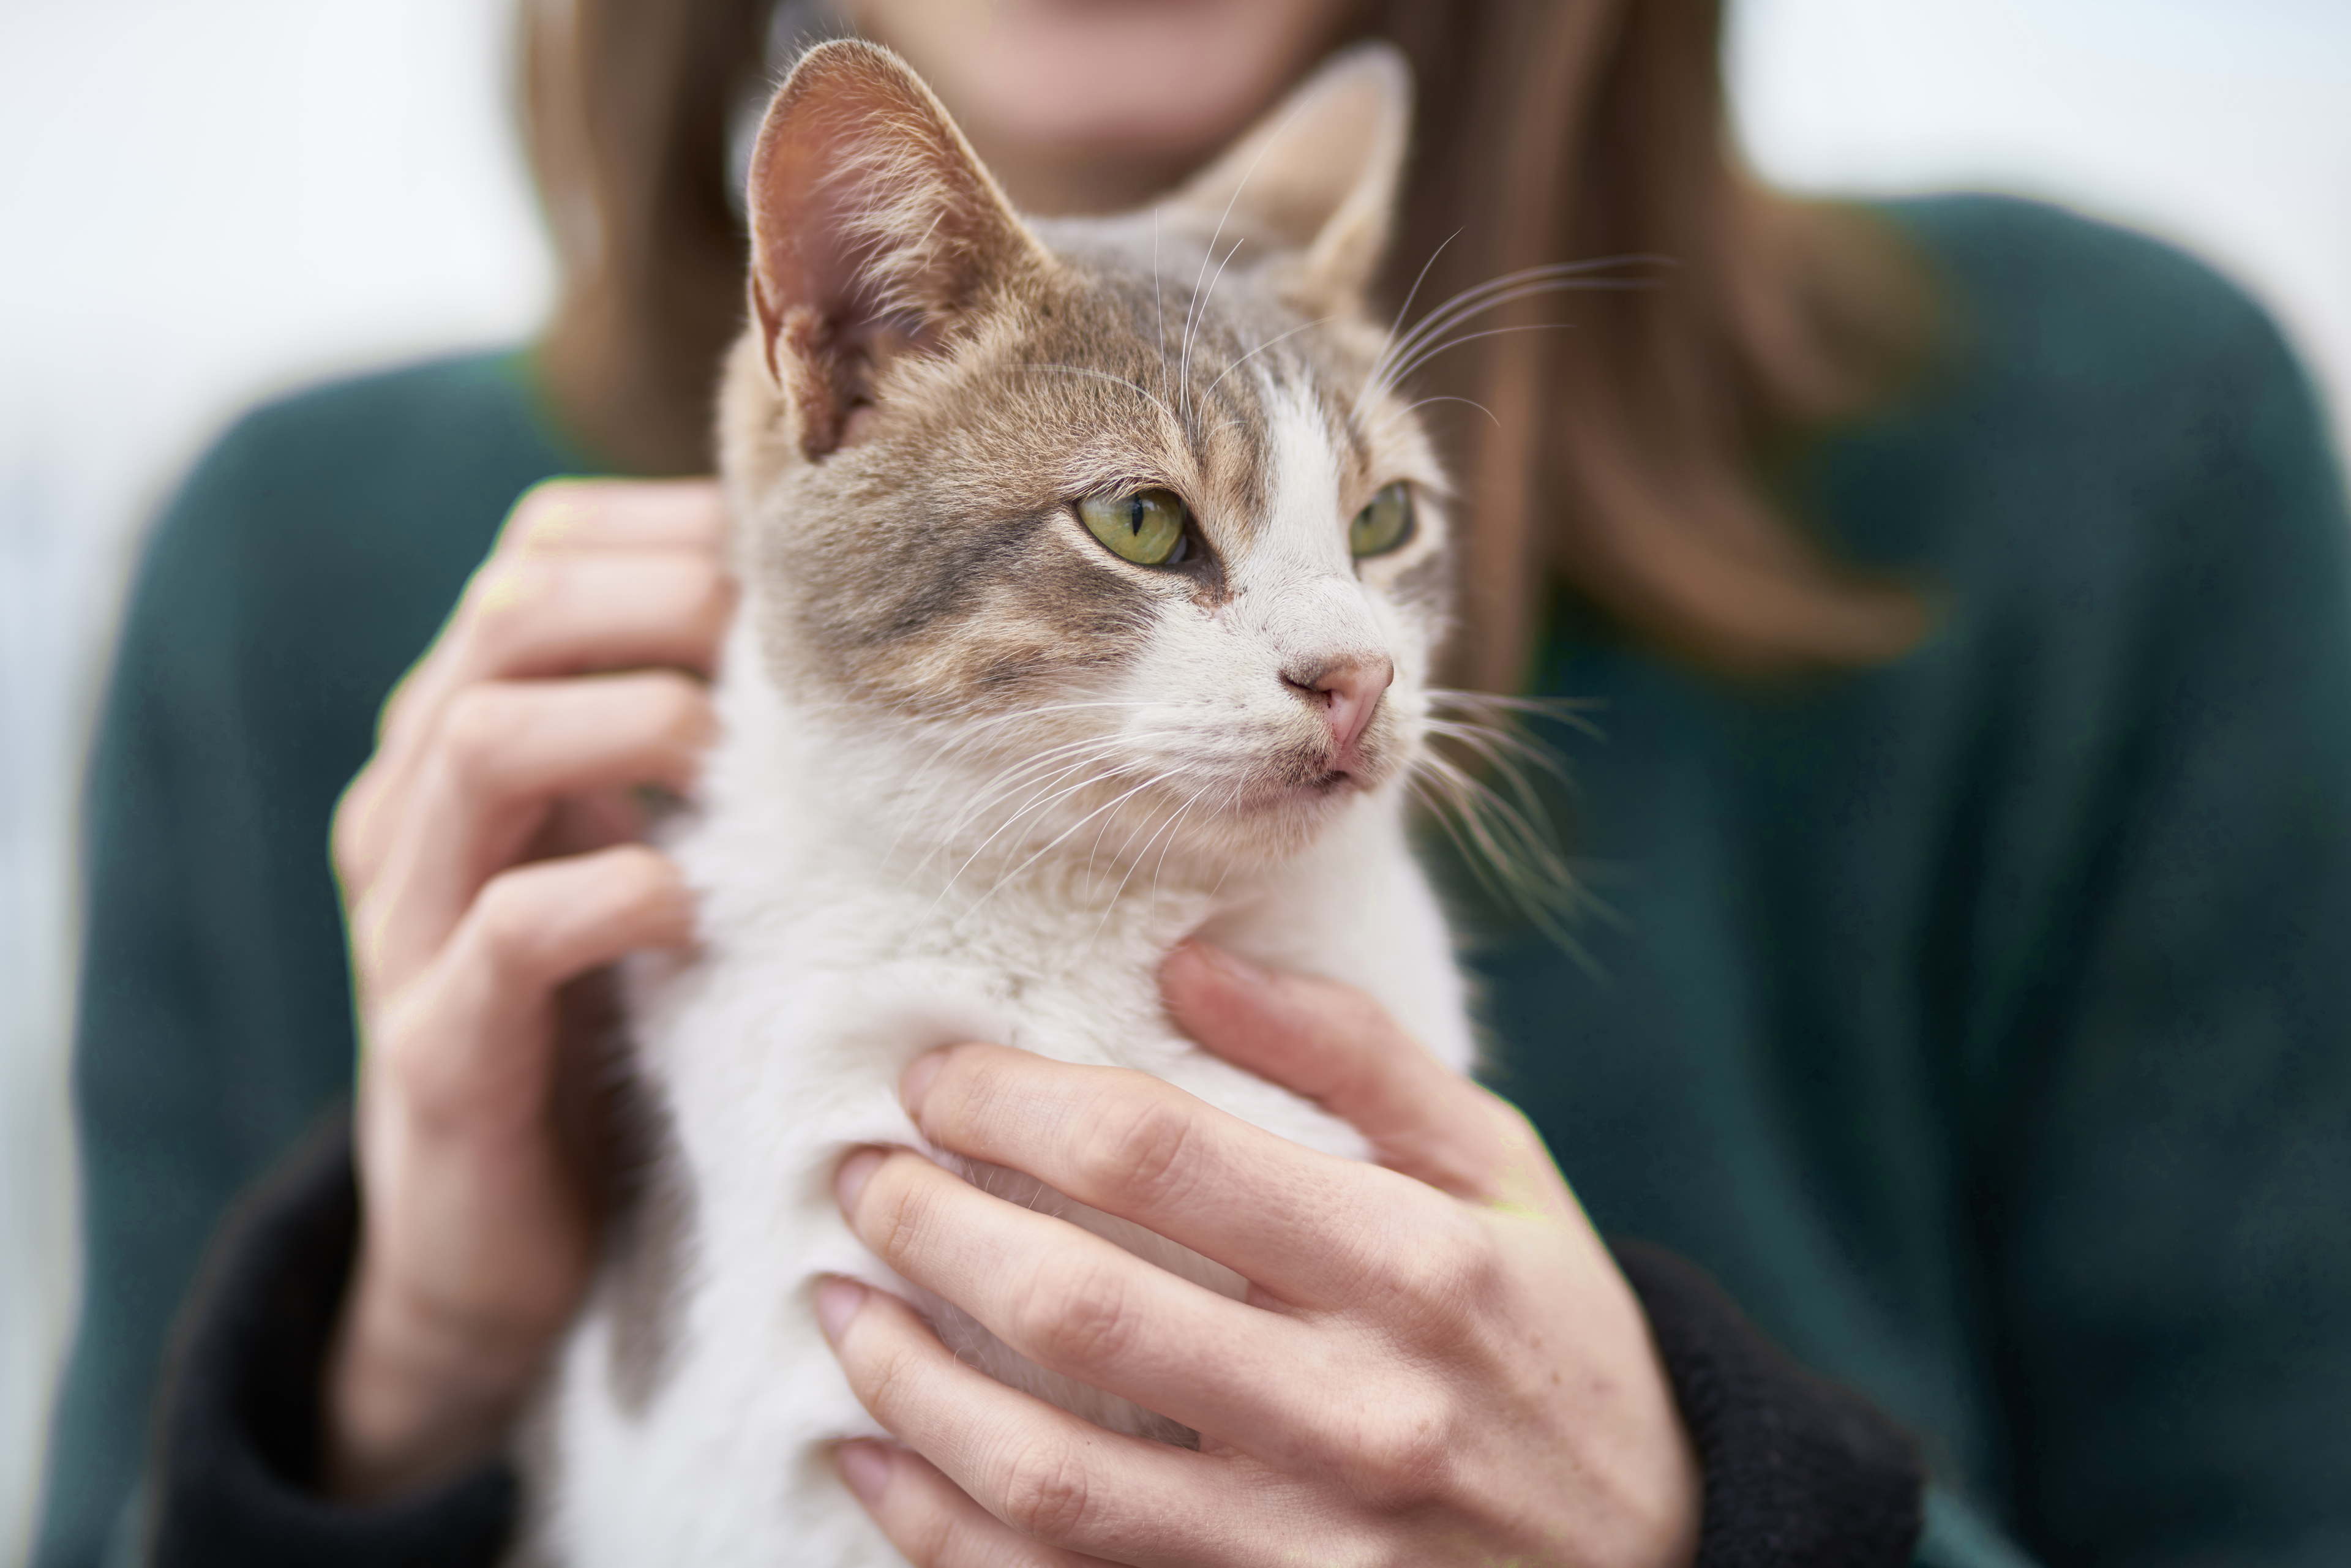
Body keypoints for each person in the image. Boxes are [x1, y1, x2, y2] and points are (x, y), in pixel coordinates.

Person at [36, 1, 2351, 1564]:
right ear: (831, 345)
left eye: (1378, 528)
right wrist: (413, 1373)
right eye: (1149, 523)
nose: (1347, 674)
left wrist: (1713, 1518)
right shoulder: (298, 574)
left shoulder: (2108, 446)